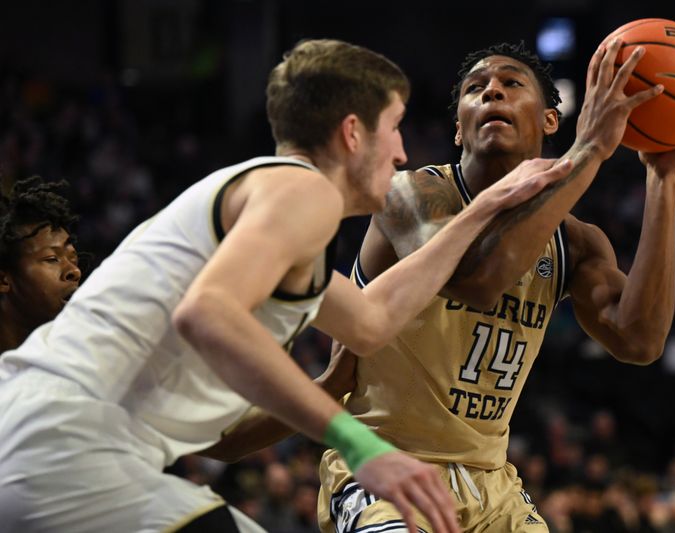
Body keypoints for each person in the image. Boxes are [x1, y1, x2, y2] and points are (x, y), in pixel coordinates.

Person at [0, 38, 574, 533]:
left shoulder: (279, 220)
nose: (402, 153)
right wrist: (363, 447)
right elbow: (207, 314)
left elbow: (372, 322)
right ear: (354, 133)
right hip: (67, 441)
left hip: (55, 442)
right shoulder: (300, 191)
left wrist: (484, 209)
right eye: (394, 128)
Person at [313, 39, 675, 532]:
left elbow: (640, 340)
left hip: (492, 485)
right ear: (458, 127)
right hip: (384, 465)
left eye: (511, 84)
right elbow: (479, 279)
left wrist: (663, 180)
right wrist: (588, 150)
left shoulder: (576, 242)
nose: (491, 93)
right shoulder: (412, 195)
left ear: (551, 120)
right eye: (475, 88)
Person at [0, 176, 81, 353]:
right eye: (52, 259)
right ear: (3, 280)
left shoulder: (78, 357)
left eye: (73, 259)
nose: (74, 271)